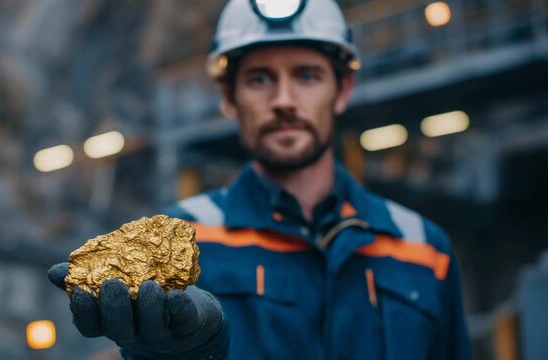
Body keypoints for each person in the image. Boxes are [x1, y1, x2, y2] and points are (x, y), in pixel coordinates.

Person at [48, 0, 472, 358]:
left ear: (342, 90)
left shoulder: (424, 249)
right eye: (259, 79)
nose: (284, 101)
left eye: (307, 75)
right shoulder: (181, 239)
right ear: (230, 98)